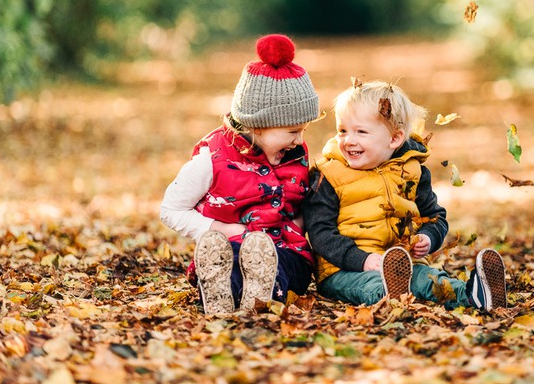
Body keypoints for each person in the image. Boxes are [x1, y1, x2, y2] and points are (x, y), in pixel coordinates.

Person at [303, 80, 507, 311]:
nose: (348, 140)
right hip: (344, 270)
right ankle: (391, 294)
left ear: (394, 139)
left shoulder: (412, 172)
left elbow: (434, 216)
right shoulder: (328, 175)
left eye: (360, 131)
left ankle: (474, 294)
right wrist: (361, 260)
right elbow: (320, 232)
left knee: (429, 279)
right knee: (372, 285)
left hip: (406, 264)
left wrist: (428, 238)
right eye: (342, 130)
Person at [160, 34, 321, 314]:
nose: (299, 140)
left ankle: (260, 295)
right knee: (228, 262)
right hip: (229, 246)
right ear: (259, 126)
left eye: (303, 131)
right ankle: (221, 293)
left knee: (280, 269)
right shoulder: (212, 160)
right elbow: (171, 209)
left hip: (285, 250)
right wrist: (219, 229)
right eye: (293, 131)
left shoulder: (296, 155)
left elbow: (299, 206)